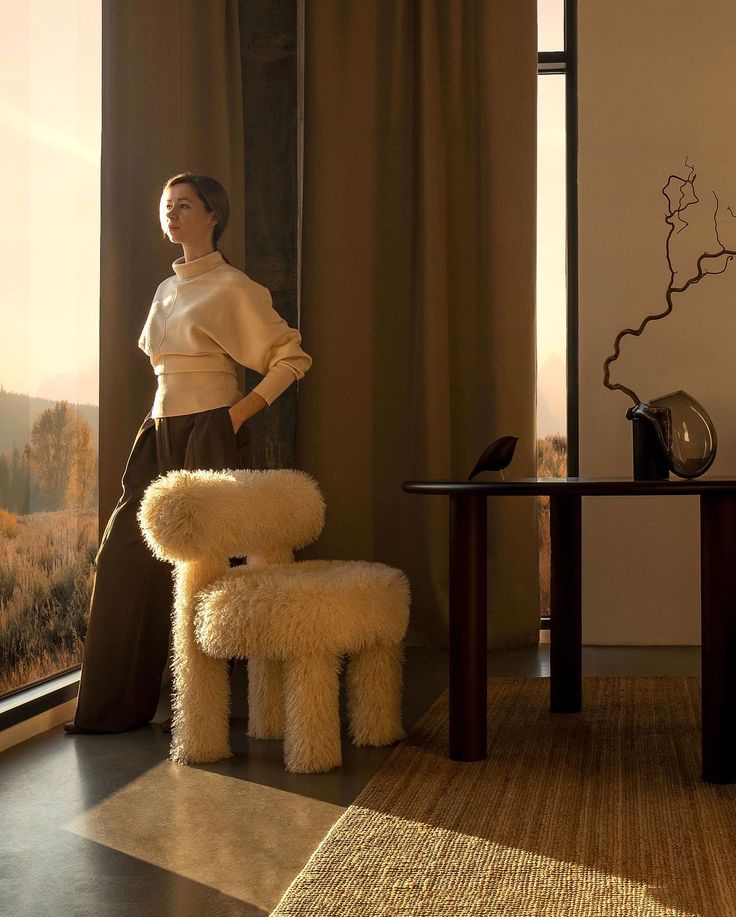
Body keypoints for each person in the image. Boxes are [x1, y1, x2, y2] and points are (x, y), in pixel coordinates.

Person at [65, 171, 311, 734]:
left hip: (209, 430)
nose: (172, 215)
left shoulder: (233, 286)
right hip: (157, 431)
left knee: (207, 569)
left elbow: (292, 358)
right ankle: (111, 709)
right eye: (166, 206)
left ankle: (218, 715)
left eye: (184, 206)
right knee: (126, 560)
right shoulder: (164, 289)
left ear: (213, 215)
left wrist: (237, 414)